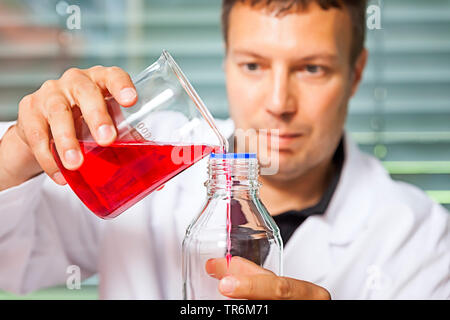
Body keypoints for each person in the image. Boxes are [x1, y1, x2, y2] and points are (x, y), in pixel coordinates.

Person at [0, 0, 448, 300]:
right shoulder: (146, 160)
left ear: (355, 72)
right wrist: (15, 155)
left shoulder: (420, 237)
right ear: (226, 60)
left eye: (312, 68)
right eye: (253, 64)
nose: (278, 103)